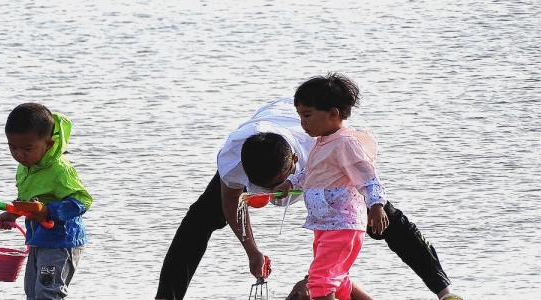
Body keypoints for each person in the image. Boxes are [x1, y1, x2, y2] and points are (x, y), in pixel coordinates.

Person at [155, 75, 461, 300]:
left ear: (293, 164)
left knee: (382, 218)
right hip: (269, 138)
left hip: (321, 168)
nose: (272, 195)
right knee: (198, 220)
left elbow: (355, 204)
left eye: (276, 187)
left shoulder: (324, 142)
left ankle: (444, 292)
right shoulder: (234, 157)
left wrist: (373, 206)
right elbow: (230, 202)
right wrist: (253, 252)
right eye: (263, 188)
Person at [265, 72, 388, 300]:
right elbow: (311, 174)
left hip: (342, 224)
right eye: (301, 115)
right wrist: (289, 183)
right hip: (325, 225)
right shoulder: (322, 142)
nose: (303, 122)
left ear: (333, 114)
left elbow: (367, 177)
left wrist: (376, 205)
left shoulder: (345, 143)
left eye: (308, 115)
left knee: (321, 283)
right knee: (337, 280)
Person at [0, 102, 93, 300]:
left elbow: (83, 200)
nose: (19, 154)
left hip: (62, 240)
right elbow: (28, 201)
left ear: (48, 144)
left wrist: (49, 212)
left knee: (48, 292)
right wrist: (13, 214)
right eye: (12, 147)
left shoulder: (59, 170)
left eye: (27, 148)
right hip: (38, 238)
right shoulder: (25, 166)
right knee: (32, 292)